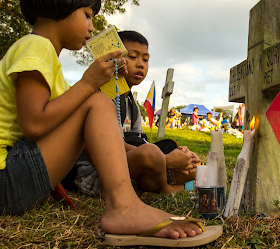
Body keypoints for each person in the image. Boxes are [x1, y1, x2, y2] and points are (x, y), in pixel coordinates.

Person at [0, 0, 206, 242]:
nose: (92, 27)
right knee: (97, 101)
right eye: (88, 15)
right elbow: (34, 124)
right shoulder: (36, 46)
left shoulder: (44, 57)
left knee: (96, 102)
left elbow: (87, 132)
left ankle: (125, 200)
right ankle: (123, 207)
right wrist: (89, 83)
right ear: (62, 4)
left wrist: (146, 156)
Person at [73, 30, 201, 196]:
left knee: (193, 168)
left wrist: (181, 158)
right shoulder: (102, 97)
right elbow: (114, 148)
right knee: (152, 155)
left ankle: (153, 183)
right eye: (133, 57)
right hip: (97, 173)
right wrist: (166, 161)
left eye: (145, 59)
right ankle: (167, 189)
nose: (141, 64)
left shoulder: (130, 103)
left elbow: (138, 142)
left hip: (128, 165)